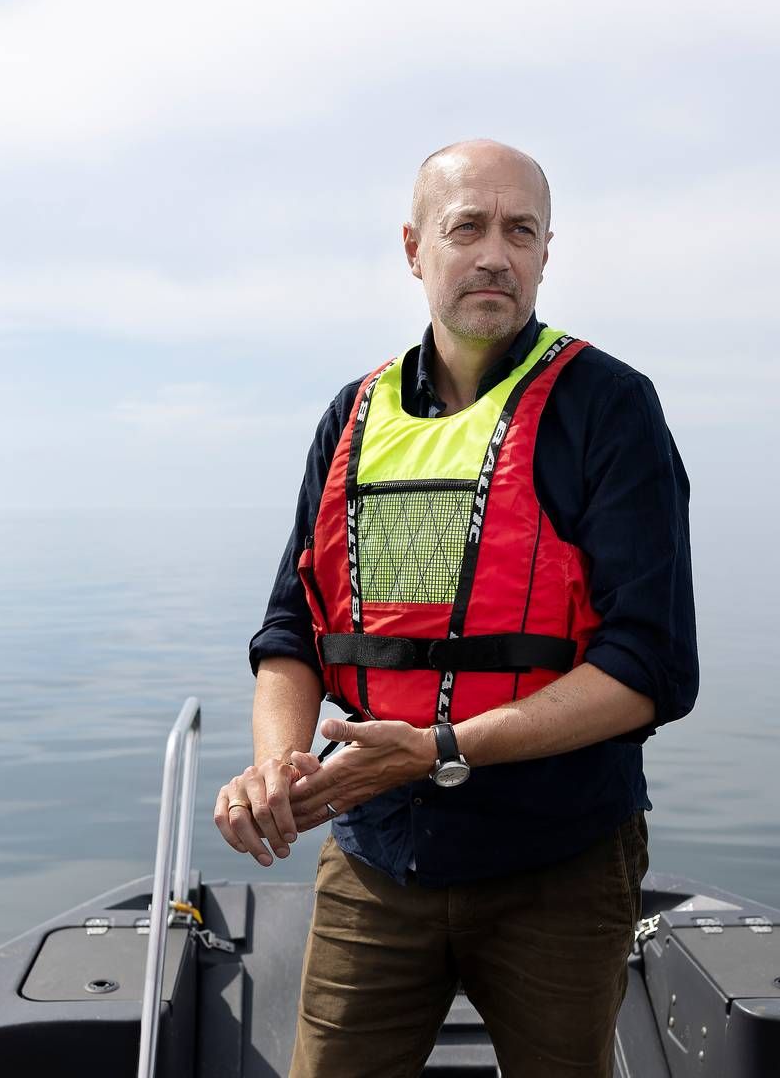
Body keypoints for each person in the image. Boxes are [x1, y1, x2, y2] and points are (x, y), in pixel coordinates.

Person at [213, 139, 697, 1078]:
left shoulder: (611, 407)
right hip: (374, 855)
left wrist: (442, 749)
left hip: (559, 858)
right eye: (466, 226)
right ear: (413, 248)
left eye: (521, 231)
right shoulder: (353, 416)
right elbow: (292, 630)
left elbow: (653, 668)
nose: (494, 254)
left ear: (547, 253)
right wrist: (278, 763)